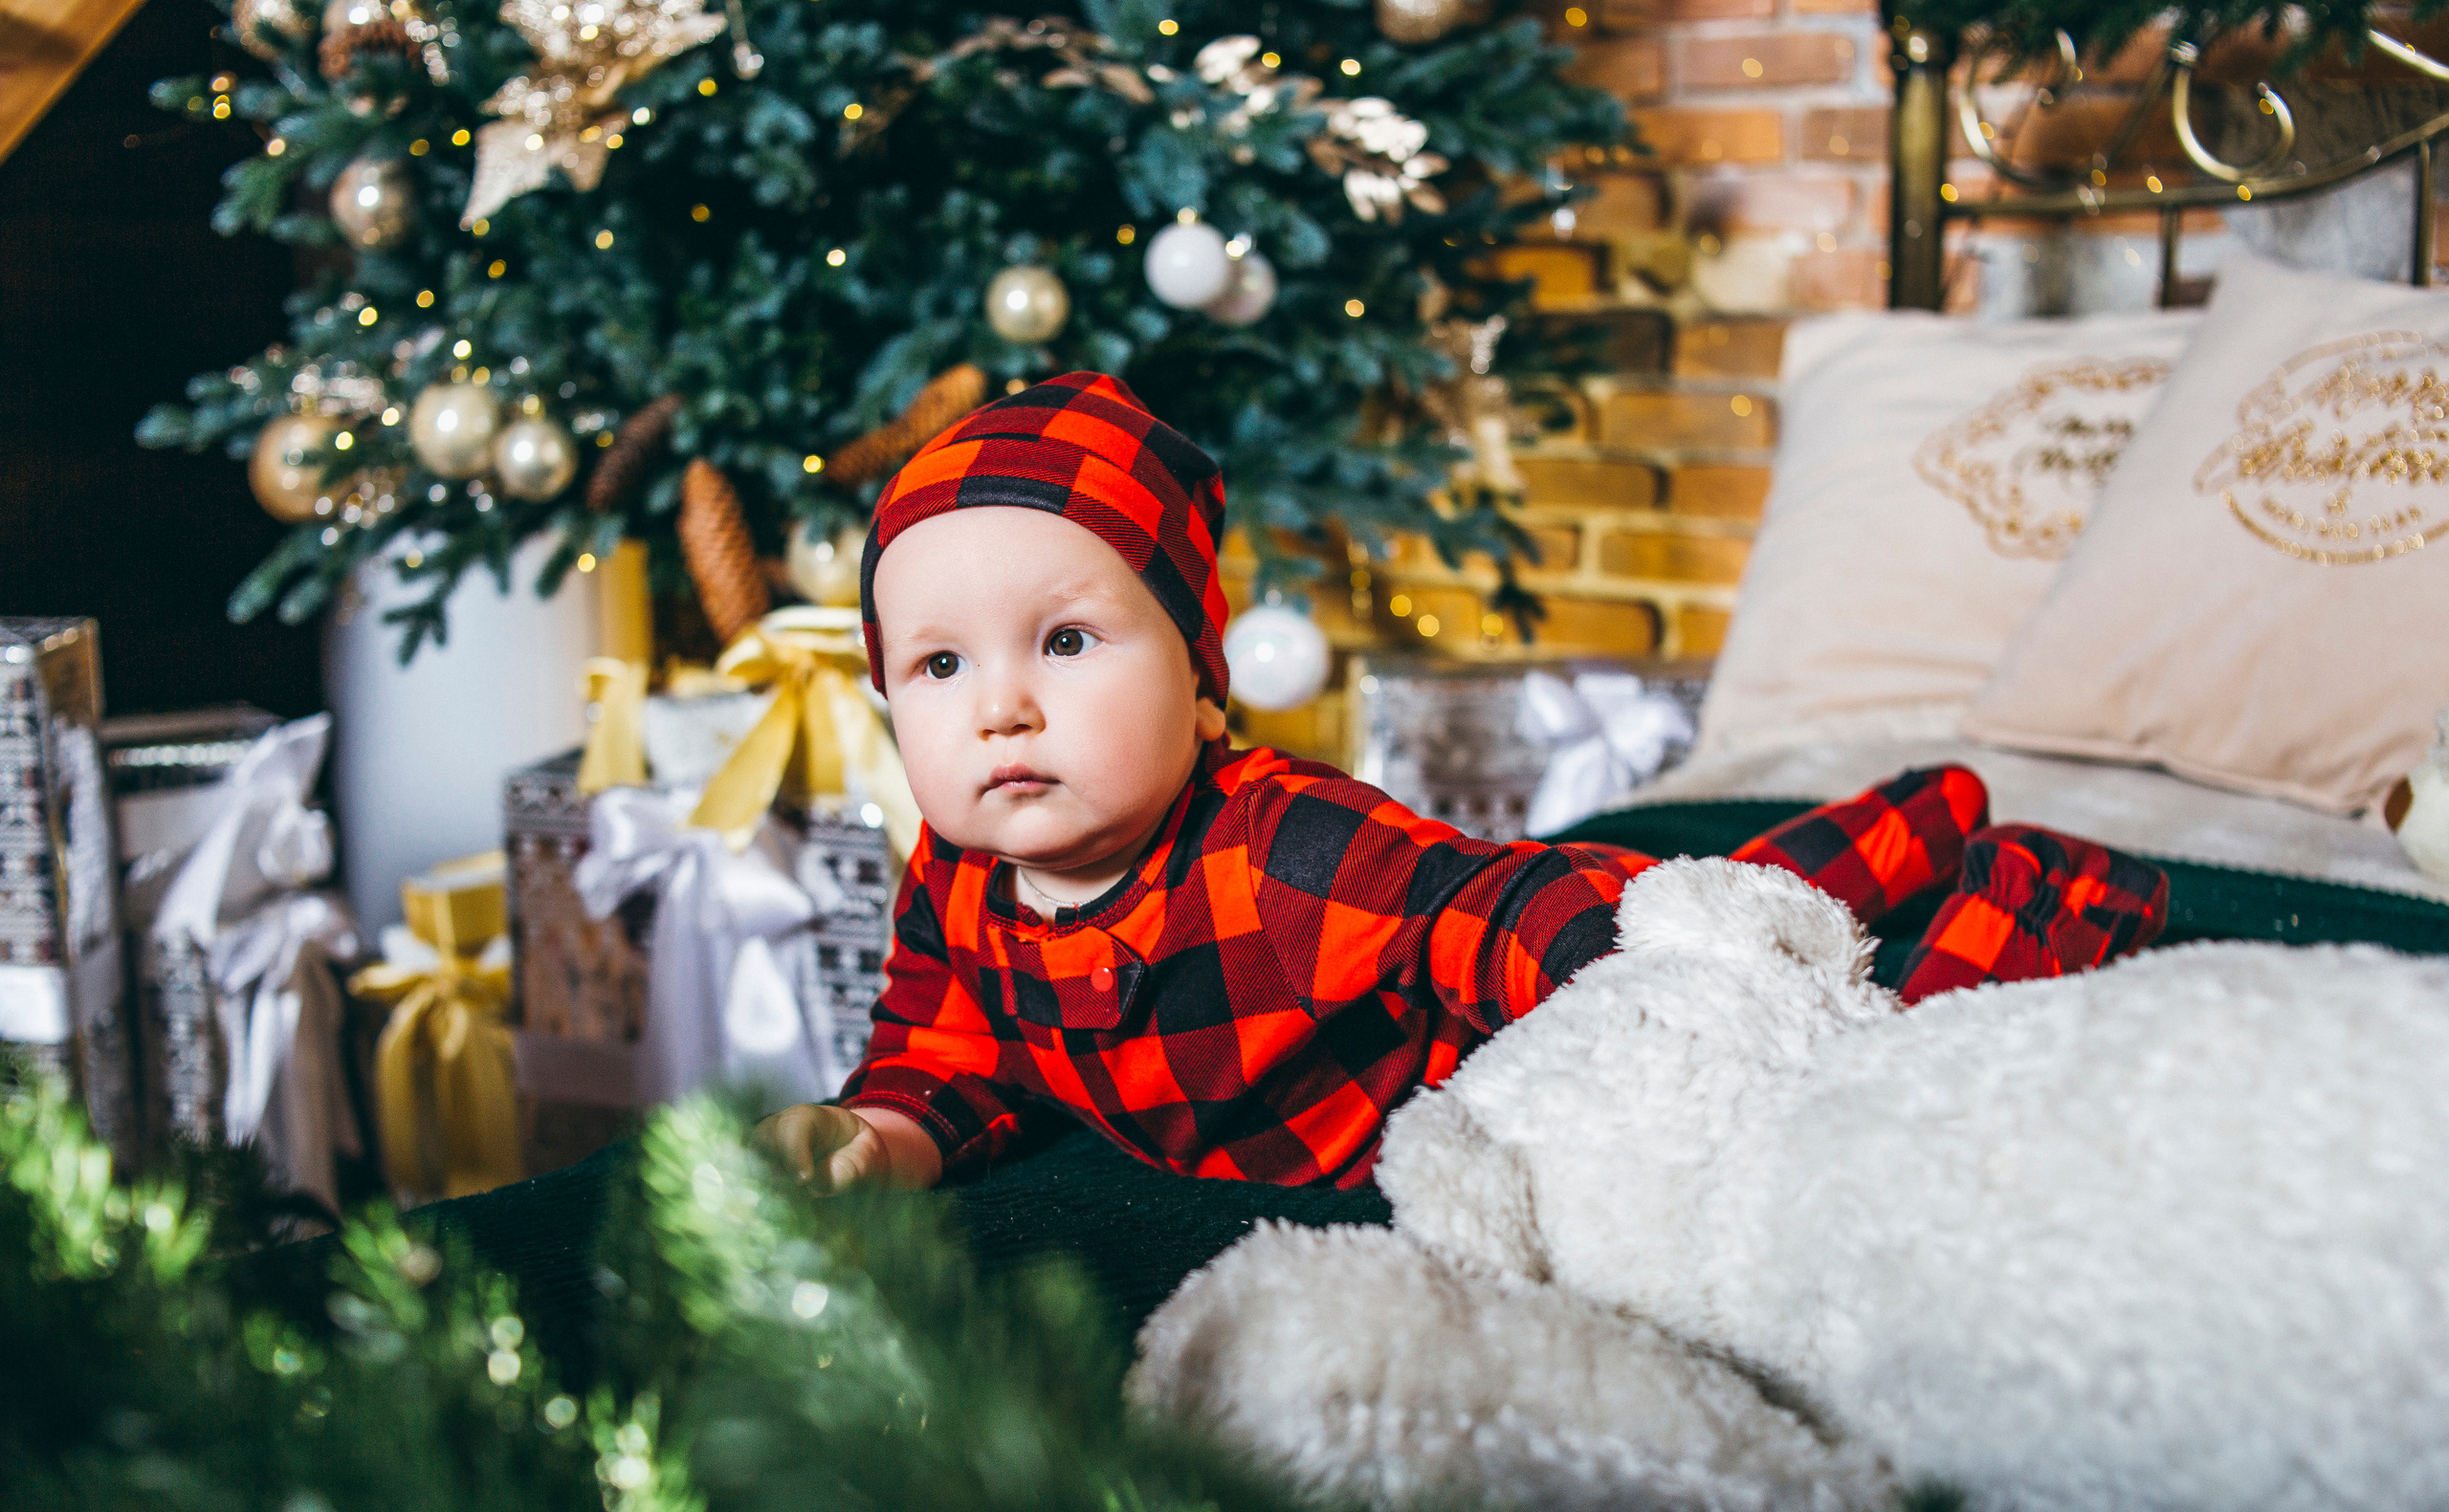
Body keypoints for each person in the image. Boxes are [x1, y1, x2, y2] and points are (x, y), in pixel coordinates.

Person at [758, 373, 2169, 1193]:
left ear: (1199, 676)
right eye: (938, 667)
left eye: (1065, 641)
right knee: (1772, 884)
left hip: (1500, 1039)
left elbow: (1477, 909)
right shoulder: (958, 883)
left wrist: (1641, 982)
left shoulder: (1287, 851)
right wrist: (877, 1139)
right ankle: (1909, 811)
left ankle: (2004, 868)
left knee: (1766, 946)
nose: (999, 704)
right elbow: (951, 1052)